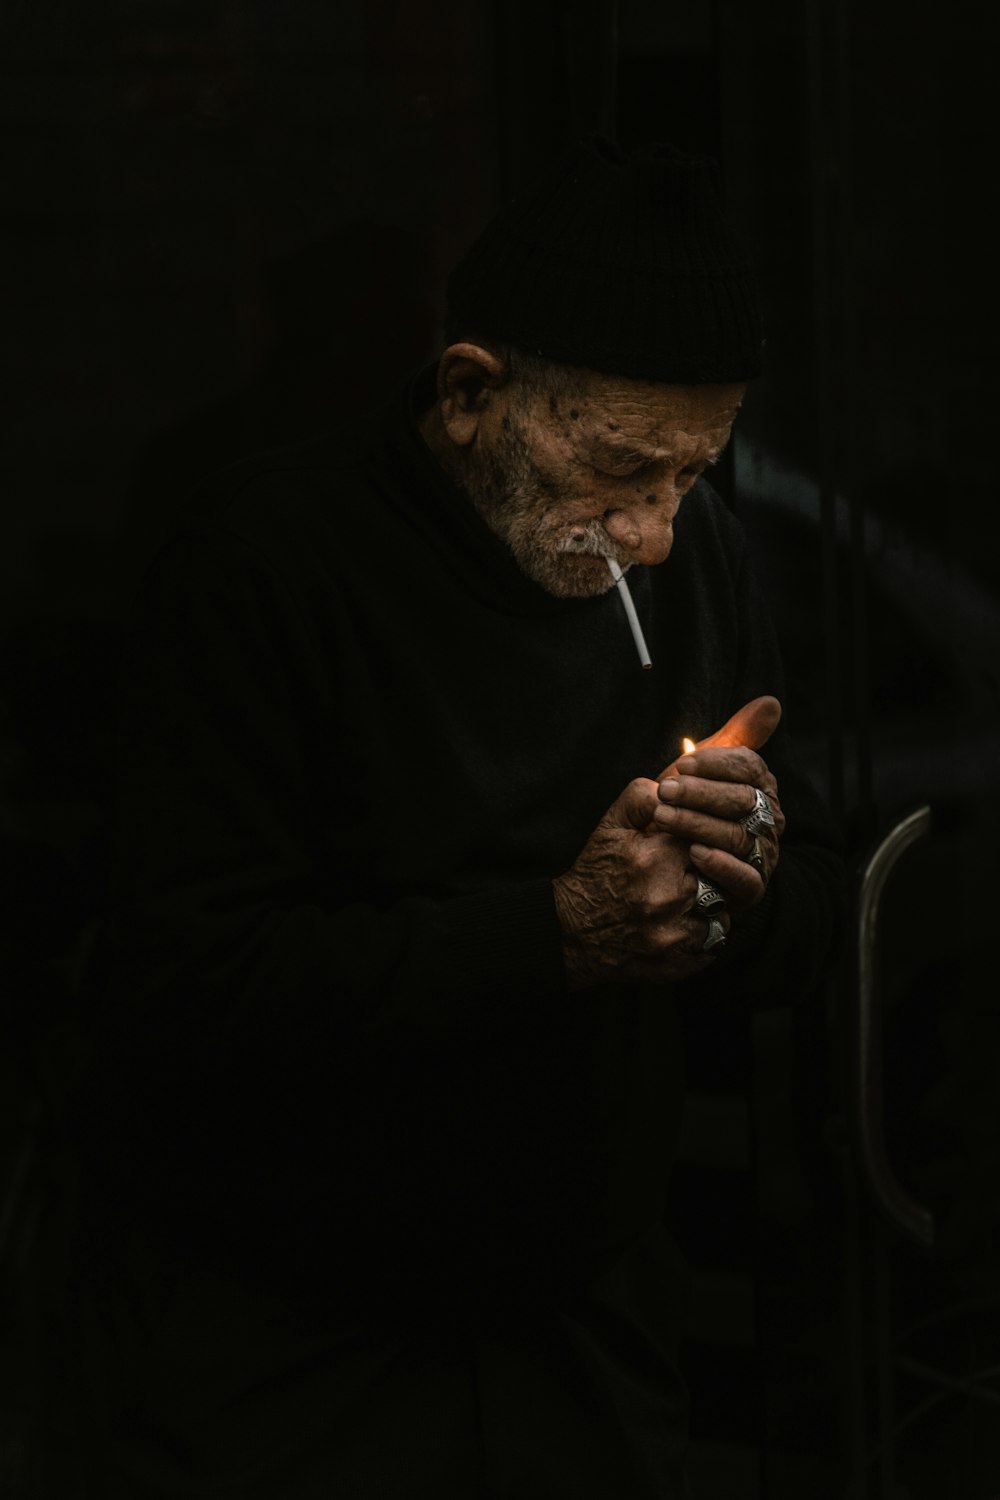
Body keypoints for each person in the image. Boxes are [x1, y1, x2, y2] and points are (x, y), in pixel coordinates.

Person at [63, 136, 845, 1498]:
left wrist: (739, 879)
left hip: (582, 1333)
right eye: (619, 472)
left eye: (688, 474)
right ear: (475, 391)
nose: (653, 531)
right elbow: (182, 990)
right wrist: (562, 931)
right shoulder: (267, 563)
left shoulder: (696, 552)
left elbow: (809, 905)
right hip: (285, 1356)